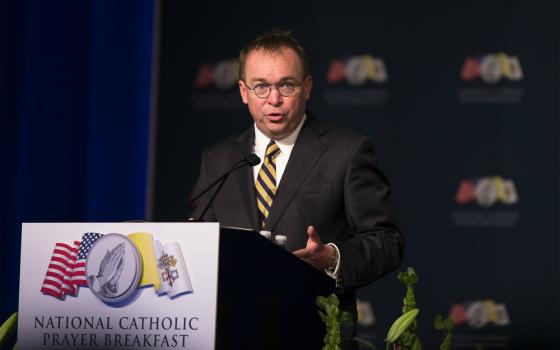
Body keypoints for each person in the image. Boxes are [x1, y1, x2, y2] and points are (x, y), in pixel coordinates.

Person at [191, 30, 403, 347]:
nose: (273, 99)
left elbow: (387, 241)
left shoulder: (347, 152)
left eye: (286, 85)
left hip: (314, 333)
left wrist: (333, 258)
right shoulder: (218, 159)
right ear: (243, 91)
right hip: (231, 333)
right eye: (261, 86)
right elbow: (199, 241)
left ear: (307, 88)